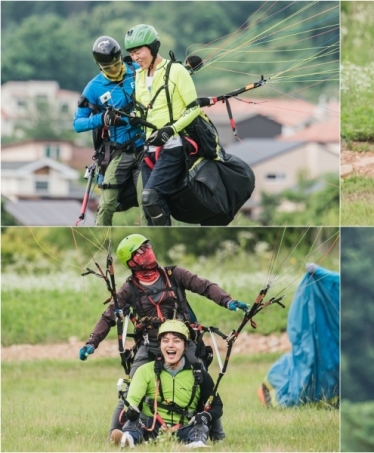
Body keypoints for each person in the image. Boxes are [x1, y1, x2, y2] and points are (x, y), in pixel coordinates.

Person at [79, 233, 249, 441]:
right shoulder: (129, 288)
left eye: (147, 246)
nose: (147, 252)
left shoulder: (174, 274)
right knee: (132, 385)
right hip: (150, 345)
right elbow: (108, 316)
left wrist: (227, 301)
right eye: (140, 251)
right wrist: (91, 342)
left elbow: (204, 286)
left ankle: (216, 435)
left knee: (201, 379)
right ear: (131, 261)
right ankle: (116, 435)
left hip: (180, 341)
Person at [123, 24, 209, 226]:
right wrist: (134, 116)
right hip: (149, 149)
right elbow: (146, 108)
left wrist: (171, 129)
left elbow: (193, 108)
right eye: (131, 53)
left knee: (150, 196)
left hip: (174, 145)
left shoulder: (177, 71)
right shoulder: (139, 76)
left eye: (138, 52)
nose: (135, 57)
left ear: (152, 47)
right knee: (147, 206)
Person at [110, 319, 222, 448]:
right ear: (160, 345)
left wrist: (205, 416)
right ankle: (128, 438)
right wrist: (131, 410)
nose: (170, 345)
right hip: (152, 427)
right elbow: (132, 400)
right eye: (165, 340)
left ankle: (196, 443)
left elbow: (217, 406)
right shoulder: (145, 371)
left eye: (176, 341)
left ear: (185, 346)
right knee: (137, 419)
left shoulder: (199, 374)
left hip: (184, 427)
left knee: (200, 425)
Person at [73, 36, 146, 226]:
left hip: (145, 146)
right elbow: (78, 123)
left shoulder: (138, 71)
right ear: (99, 66)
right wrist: (102, 118)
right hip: (118, 152)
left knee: (148, 200)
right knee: (106, 204)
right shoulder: (93, 88)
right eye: (107, 68)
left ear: (121, 57)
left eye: (116, 64)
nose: (113, 70)